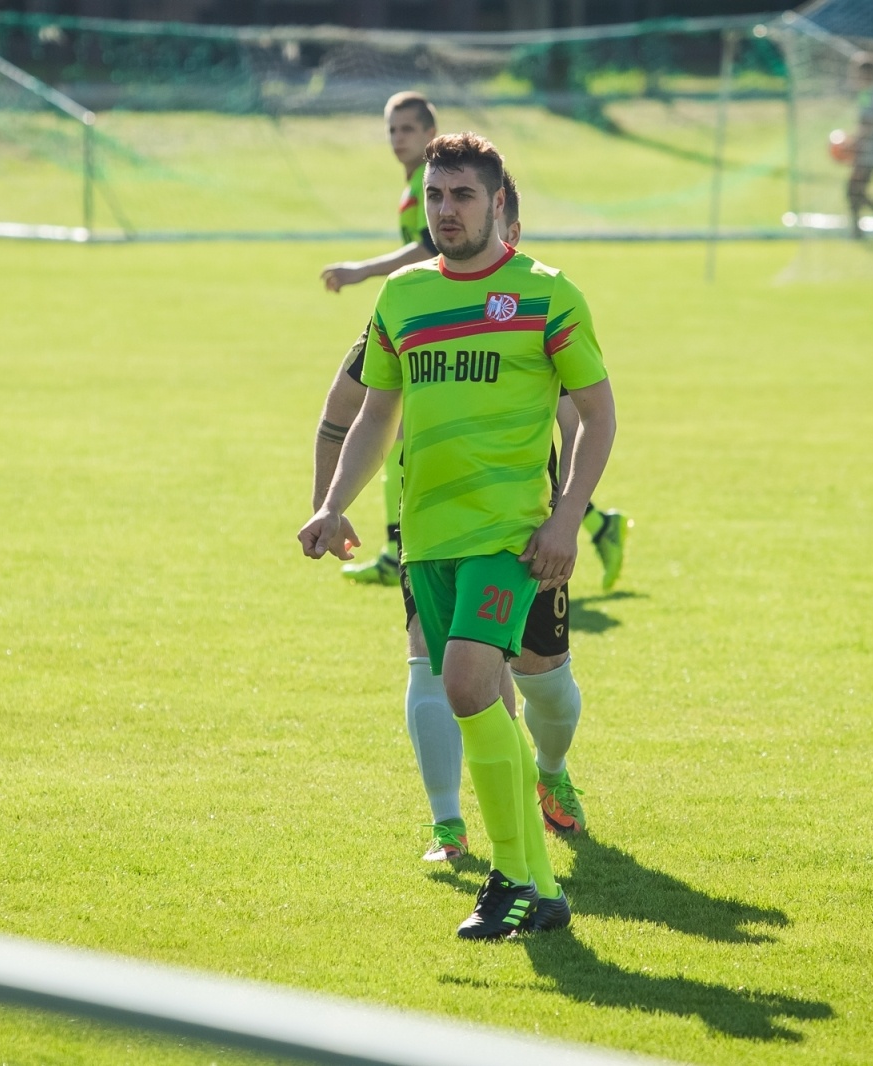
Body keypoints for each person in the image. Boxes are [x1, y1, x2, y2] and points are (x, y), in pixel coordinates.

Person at [300, 132, 616, 939]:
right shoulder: (403, 297)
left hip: (509, 537)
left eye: (463, 196)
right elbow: (375, 414)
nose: (446, 211)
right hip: (429, 539)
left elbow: (598, 415)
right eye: (436, 197)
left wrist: (567, 516)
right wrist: (335, 504)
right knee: (475, 701)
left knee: (475, 686)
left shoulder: (548, 294)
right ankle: (539, 886)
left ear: (499, 204)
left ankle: (509, 876)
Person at [319, 92, 441, 587]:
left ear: (430, 133)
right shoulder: (416, 182)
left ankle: (592, 518)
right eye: (392, 130)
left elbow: (428, 248)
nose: (398, 139)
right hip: (422, 316)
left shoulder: (431, 181)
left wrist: (361, 270)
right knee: (397, 438)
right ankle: (396, 548)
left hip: (438, 321)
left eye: (407, 129)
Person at [845, 53, 873, 242]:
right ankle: (858, 229)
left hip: (869, 152)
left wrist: (852, 142)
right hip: (864, 150)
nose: (854, 76)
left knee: (854, 190)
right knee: (854, 190)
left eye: (858, 73)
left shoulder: (872, 95)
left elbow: (869, 124)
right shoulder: (866, 94)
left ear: (868, 74)